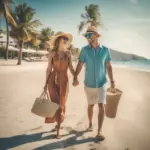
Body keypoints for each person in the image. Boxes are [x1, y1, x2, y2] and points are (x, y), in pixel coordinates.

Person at [73, 26, 115, 140]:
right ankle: (90, 124)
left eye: (90, 35)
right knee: (91, 105)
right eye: (86, 35)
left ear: (96, 35)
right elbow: (80, 64)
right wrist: (75, 77)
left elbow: (108, 66)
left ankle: (100, 131)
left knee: (101, 105)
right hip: (89, 84)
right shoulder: (84, 50)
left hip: (101, 83)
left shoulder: (105, 50)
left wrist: (112, 81)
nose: (87, 37)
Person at [44, 32, 75, 139]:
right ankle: (58, 129)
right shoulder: (52, 53)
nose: (66, 39)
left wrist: (75, 77)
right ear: (59, 40)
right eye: (64, 38)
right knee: (54, 103)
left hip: (64, 80)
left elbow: (71, 67)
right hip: (52, 80)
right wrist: (45, 82)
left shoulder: (68, 53)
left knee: (62, 103)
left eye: (67, 38)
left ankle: (58, 125)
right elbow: (49, 69)